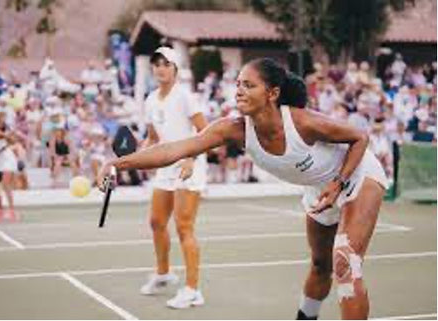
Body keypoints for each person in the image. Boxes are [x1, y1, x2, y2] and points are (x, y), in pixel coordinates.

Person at [98, 58, 388, 319]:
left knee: (344, 261)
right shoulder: (233, 129)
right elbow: (176, 149)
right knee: (319, 265)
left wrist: (338, 183)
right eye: (237, 84)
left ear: (272, 93)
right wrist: (117, 164)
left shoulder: (300, 122)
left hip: (356, 175)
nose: (238, 90)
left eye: (249, 85)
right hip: (318, 188)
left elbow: (359, 138)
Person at [133, 47, 209, 309]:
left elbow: (205, 132)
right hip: (165, 168)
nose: (160, 68)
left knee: (184, 227)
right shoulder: (151, 100)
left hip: (190, 165)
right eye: (156, 64)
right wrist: (140, 155)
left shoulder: (185, 97)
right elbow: (153, 138)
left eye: (166, 64)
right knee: (156, 222)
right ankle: (164, 274)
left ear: (175, 69)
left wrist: (190, 158)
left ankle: (192, 290)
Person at [0, 111, 19, 222]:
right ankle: (0, 209)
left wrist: (10, 134)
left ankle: (12, 212)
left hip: (8, 158)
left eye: (3, 119)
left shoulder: (5, 132)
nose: (1, 120)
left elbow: (14, 140)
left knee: (6, 185)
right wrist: (9, 133)